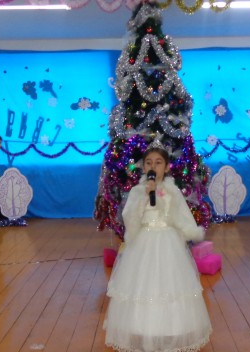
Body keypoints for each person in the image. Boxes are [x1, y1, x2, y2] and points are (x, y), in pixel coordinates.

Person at [104, 142, 212, 352]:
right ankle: (142, 327)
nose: (153, 167)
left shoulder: (173, 191)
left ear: (167, 166)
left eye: (158, 162)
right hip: (143, 241)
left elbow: (182, 217)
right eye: (149, 163)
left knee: (169, 283)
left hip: (168, 242)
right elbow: (130, 219)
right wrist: (144, 197)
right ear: (143, 167)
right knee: (143, 283)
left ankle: (170, 328)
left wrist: (190, 231)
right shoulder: (137, 191)